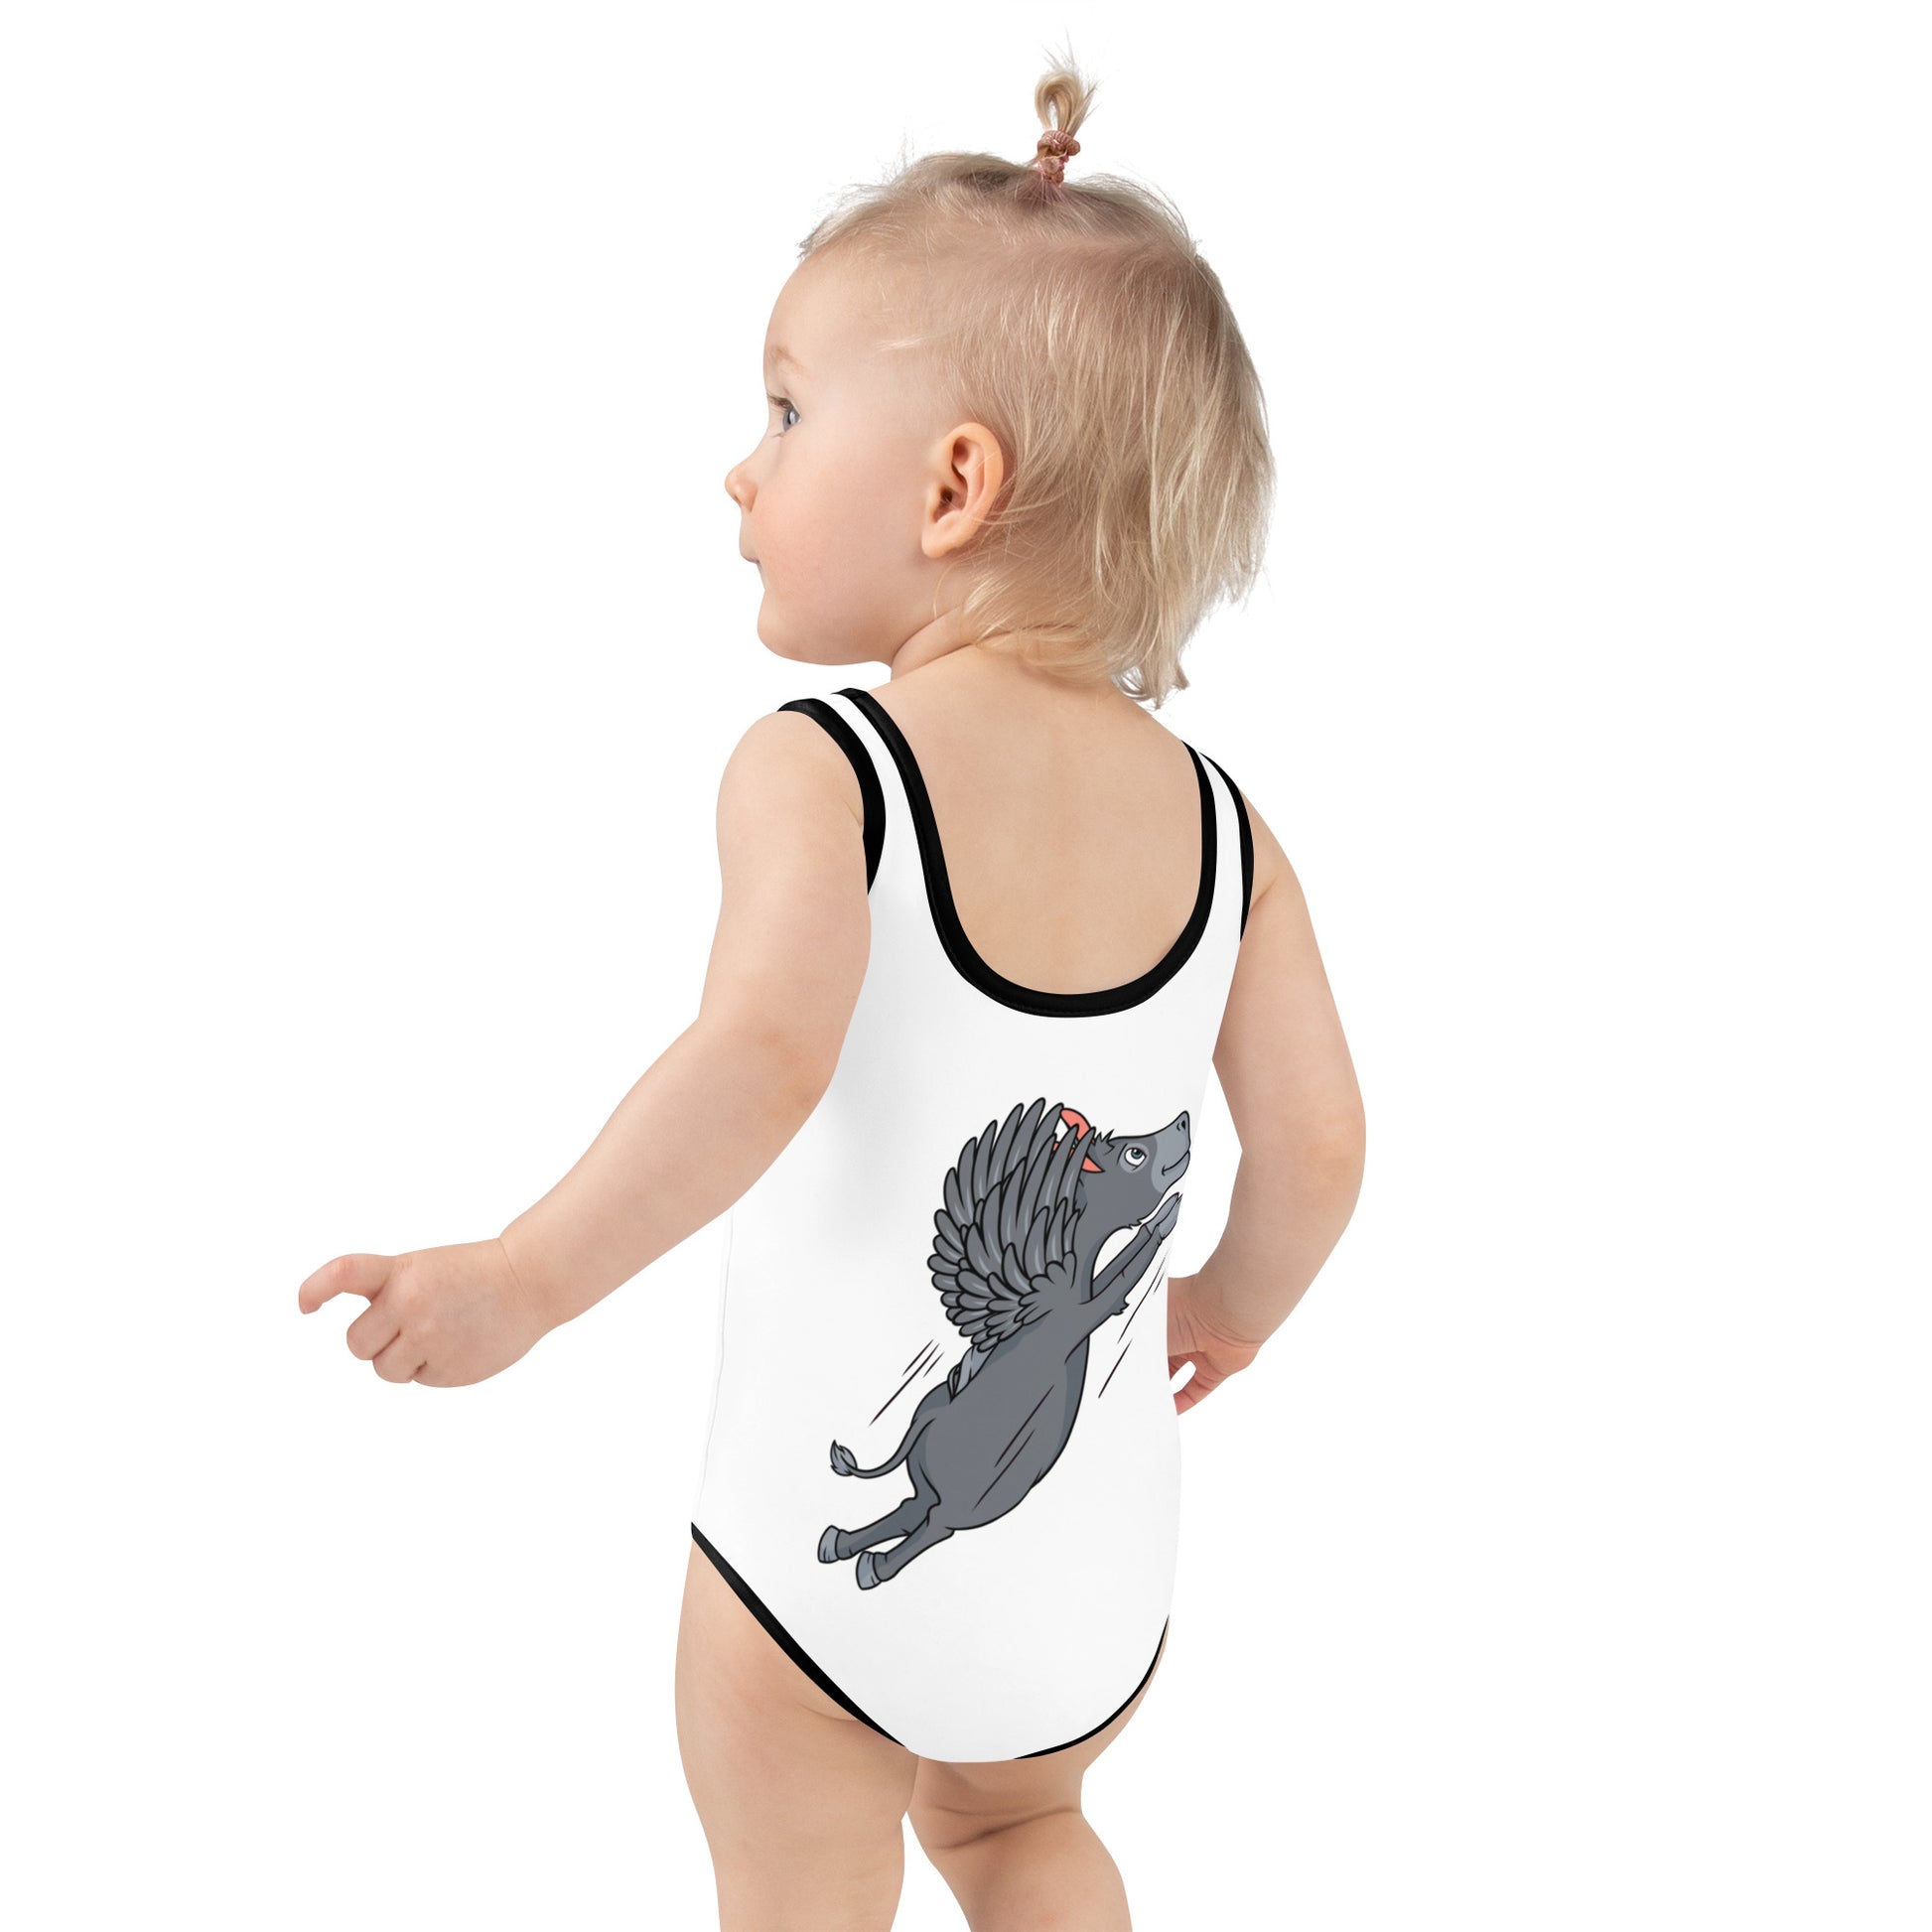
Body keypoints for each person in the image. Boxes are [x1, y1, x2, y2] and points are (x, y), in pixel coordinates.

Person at [298, 50, 1365, 1932]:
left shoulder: (826, 769)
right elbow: (1323, 1143)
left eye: (785, 410)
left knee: (799, 1859)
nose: (742, 464)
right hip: (1085, 1577)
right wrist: (1225, 1304)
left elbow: (760, 1055)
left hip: (812, 1578)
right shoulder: (1227, 827)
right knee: (1021, 1837)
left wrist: (522, 1275)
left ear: (955, 488)